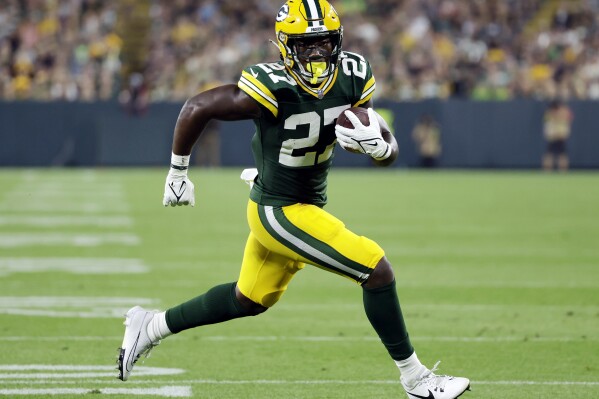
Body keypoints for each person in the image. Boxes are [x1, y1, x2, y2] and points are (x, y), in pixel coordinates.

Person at [117, 2, 470, 398]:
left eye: (323, 43)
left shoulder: (353, 75)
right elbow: (197, 106)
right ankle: (417, 380)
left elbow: (384, 146)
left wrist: (380, 150)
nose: (317, 54)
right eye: (307, 45)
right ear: (286, 46)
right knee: (376, 269)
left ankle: (151, 325)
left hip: (302, 204)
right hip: (279, 210)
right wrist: (177, 172)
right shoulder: (271, 84)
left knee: (249, 298)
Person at [542, 99, 573, 171]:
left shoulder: (564, 112)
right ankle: (547, 170)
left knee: (561, 154)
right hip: (553, 136)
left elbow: (570, 118)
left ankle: (562, 171)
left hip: (560, 136)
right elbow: (547, 122)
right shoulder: (549, 113)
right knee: (550, 154)